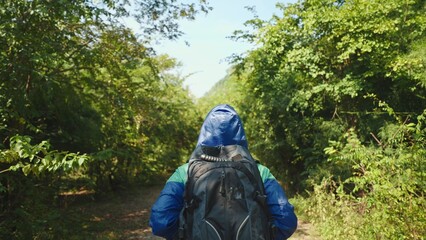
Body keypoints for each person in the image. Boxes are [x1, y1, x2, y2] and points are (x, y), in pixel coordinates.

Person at [149, 104, 297, 239]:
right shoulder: (260, 171)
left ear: (204, 132)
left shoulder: (184, 172)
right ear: (240, 132)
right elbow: (286, 220)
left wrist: (186, 234)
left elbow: (161, 221)